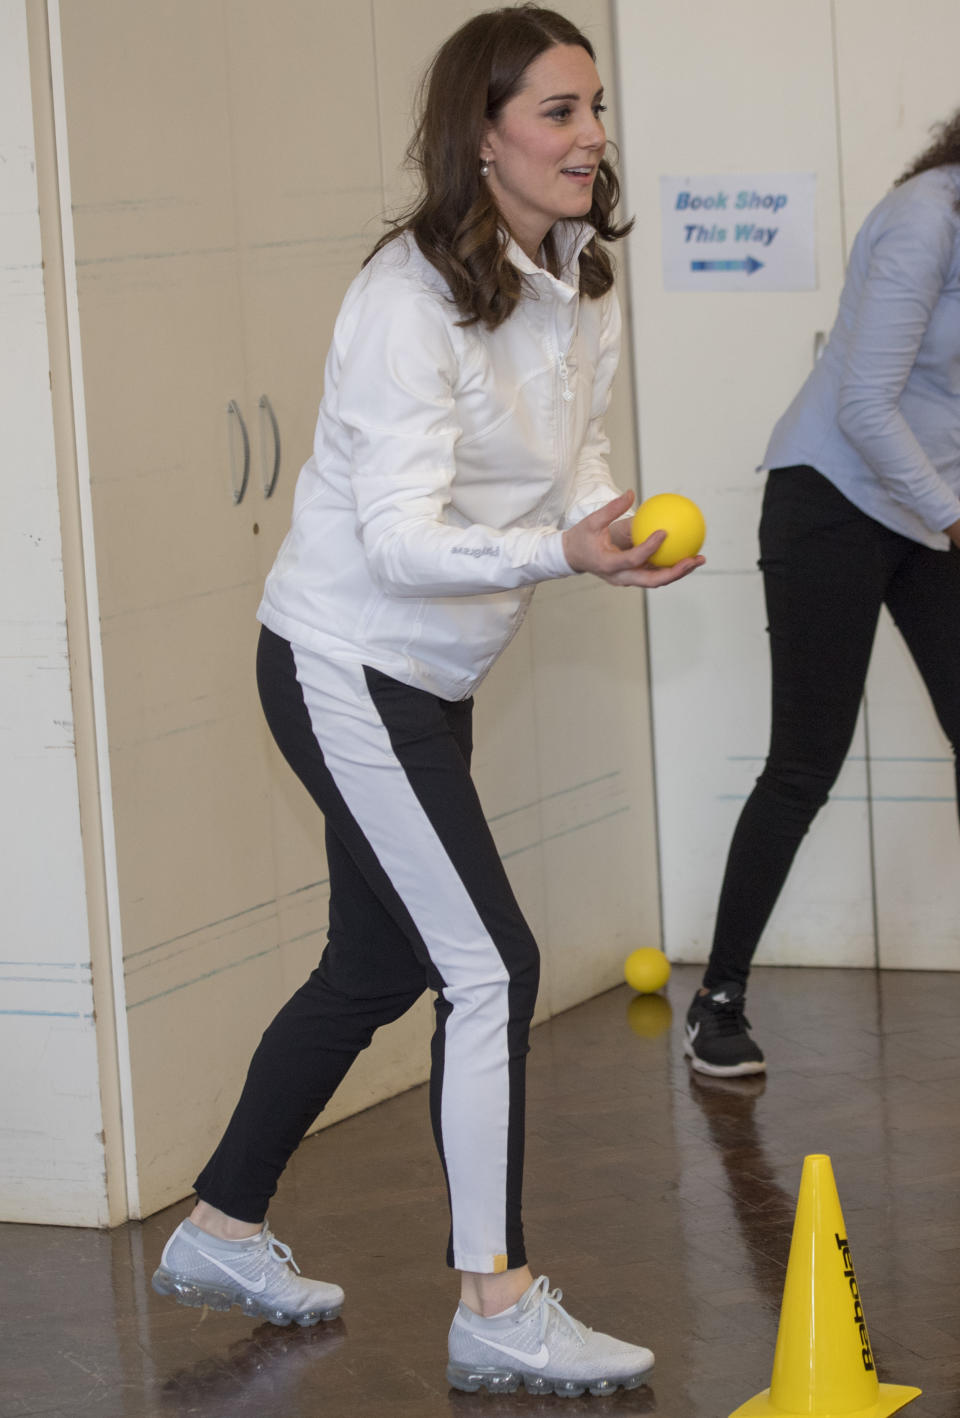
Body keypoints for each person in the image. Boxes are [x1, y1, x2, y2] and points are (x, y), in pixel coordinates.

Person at [152, 5, 702, 1398]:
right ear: (483, 135)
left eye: (594, 109)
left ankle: (219, 1222)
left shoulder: (580, 273)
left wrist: (607, 525)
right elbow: (397, 537)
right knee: (490, 963)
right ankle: (494, 1300)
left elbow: (574, 444)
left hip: (431, 671)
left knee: (379, 962)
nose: (590, 137)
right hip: (345, 658)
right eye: (559, 113)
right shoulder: (407, 296)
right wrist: (554, 552)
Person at [685, 113, 960, 1078]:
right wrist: (953, 515)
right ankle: (717, 999)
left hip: (932, 507)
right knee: (807, 760)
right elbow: (865, 404)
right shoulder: (927, 219)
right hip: (834, 499)